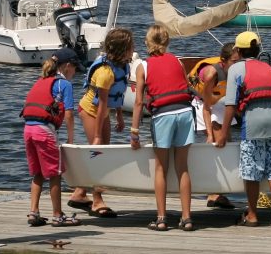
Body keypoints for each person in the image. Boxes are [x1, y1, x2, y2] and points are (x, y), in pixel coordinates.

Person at [216, 31, 271, 228]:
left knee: (251, 171)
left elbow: (230, 104)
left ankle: (252, 215)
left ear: (238, 50)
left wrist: (223, 134)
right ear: (258, 49)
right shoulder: (269, 68)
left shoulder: (236, 69)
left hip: (253, 125)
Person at [130, 25, 195, 231]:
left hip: (163, 116)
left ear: (148, 42)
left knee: (161, 168)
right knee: (183, 168)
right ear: (166, 42)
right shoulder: (177, 60)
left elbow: (139, 102)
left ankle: (161, 218)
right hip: (185, 113)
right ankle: (186, 218)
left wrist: (134, 132)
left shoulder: (143, 66)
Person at [67, 27, 134, 218]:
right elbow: (102, 103)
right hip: (90, 111)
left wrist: (119, 115)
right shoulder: (105, 73)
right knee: (99, 154)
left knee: (102, 153)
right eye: (130, 46)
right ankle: (97, 201)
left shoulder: (122, 66)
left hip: (103, 113)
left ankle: (80, 193)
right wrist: (97, 136)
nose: (133, 49)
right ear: (122, 49)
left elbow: (118, 95)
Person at [21, 48, 82, 227]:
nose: (75, 73)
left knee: (38, 173)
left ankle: (33, 212)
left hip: (28, 130)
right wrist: (71, 139)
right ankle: (57, 215)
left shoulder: (42, 80)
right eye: (75, 69)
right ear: (68, 66)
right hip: (44, 131)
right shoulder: (65, 85)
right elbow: (69, 114)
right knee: (55, 174)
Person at [188, 42, 240, 209]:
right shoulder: (212, 74)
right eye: (234, 61)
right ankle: (211, 193)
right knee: (217, 144)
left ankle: (218, 193)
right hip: (203, 105)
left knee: (227, 144)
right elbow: (206, 107)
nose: (237, 65)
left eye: (239, 61)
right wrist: (210, 134)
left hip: (218, 103)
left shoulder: (235, 71)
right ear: (223, 61)